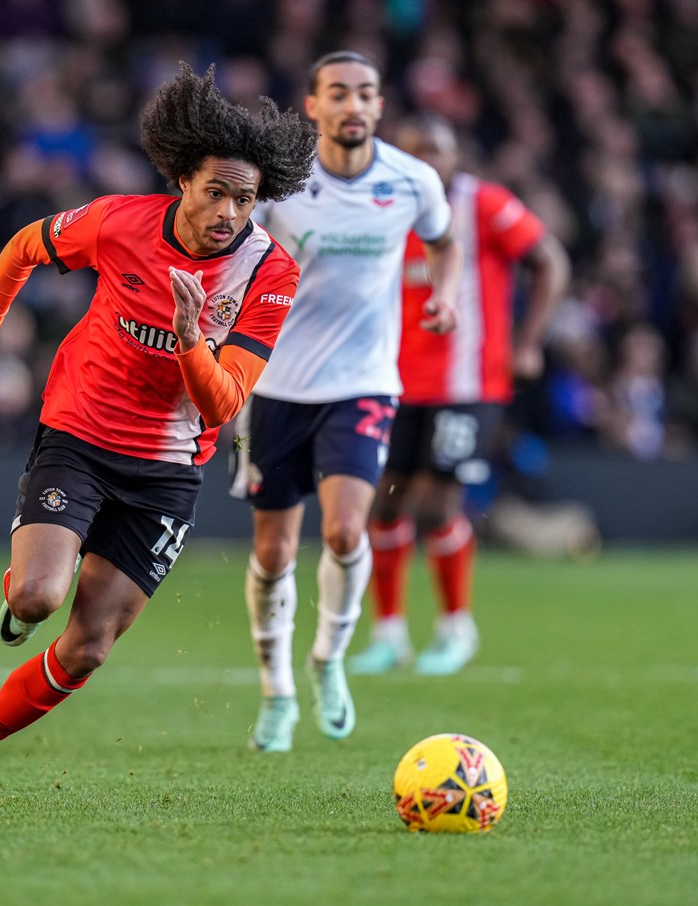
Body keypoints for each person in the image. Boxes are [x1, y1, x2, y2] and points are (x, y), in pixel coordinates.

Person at [0, 64, 317, 799]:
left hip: (167, 469)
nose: (229, 211)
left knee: (89, 645)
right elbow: (21, 249)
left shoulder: (270, 273)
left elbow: (224, 404)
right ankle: (19, 586)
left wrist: (191, 336)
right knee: (38, 598)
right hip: (79, 433)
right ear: (182, 183)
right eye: (216, 192)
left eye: (245, 199)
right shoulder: (119, 222)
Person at [233, 52, 463, 753]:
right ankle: (275, 692)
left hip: (364, 382)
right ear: (313, 107)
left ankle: (327, 661)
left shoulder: (410, 179)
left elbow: (444, 242)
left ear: (379, 105)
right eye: (338, 93)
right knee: (272, 551)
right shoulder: (281, 182)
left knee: (342, 532)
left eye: (364, 93)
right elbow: (231, 245)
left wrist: (445, 293)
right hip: (274, 385)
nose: (352, 105)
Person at [349, 114, 571, 677]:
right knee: (386, 502)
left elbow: (551, 261)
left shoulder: (485, 205)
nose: (427, 160)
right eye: (414, 150)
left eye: (437, 150)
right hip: (390, 381)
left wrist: (529, 341)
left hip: (467, 384)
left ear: (457, 156)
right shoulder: (379, 206)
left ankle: (455, 627)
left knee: (436, 503)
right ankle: (389, 633)